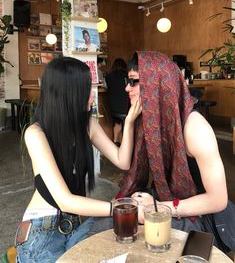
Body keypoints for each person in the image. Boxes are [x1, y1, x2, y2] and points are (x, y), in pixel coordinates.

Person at [15, 57, 142, 262]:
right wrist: (119, 208)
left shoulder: (87, 124)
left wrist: (128, 123)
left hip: (76, 224)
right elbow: (65, 201)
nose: (92, 96)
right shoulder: (36, 133)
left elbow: (123, 161)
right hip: (42, 232)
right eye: (86, 89)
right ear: (69, 93)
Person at [117, 51, 228, 241]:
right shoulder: (151, 120)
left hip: (197, 215)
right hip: (165, 200)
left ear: (158, 84)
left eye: (134, 81)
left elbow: (218, 200)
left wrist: (162, 207)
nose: (127, 88)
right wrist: (128, 122)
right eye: (127, 81)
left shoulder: (195, 129)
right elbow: (125, 162)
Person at [105, 58, 129, 146]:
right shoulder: (127, 76)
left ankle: (115, 142)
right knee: (127, 124)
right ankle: (125, 145)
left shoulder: (109, 76)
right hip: (126, 106)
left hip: (114, 108)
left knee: (117, 123)